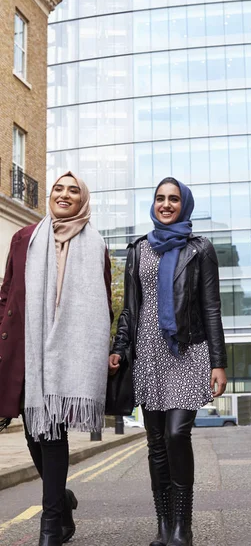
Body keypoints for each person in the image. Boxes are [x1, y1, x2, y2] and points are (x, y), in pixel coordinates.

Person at [109, 177, 227, 546]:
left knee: (177, 434)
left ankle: (183, 525)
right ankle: (164, 524)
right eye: (160, 198)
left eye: (173, 199)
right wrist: (119, 346)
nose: (166, 204)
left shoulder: (200, 248)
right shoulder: (139, 249)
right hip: (147, 353)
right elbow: (130, 308)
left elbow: (211, 306)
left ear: (184, 204)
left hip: (187, 351)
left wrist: (218, 362)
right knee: (156, 441)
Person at [0, 172, 113, 546]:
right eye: (58, 189)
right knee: (34, 433)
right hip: (25, 347)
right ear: (50, 196)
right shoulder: (24, 239)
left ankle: (51, 525)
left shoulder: (95, 245)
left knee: (52, 433)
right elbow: (6, 294)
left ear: (83, 199)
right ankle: (61, 499)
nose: (64, 195)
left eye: (73, 190)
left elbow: (103, 306)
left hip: (68, 352)